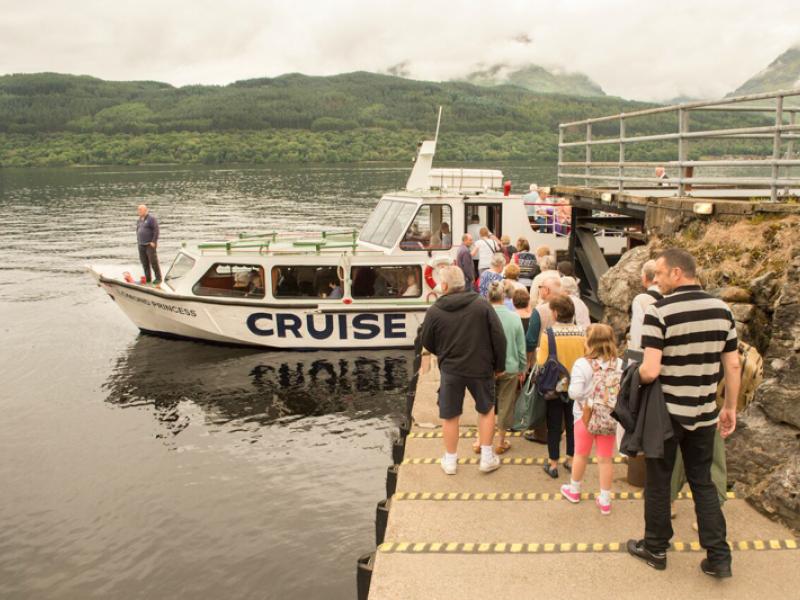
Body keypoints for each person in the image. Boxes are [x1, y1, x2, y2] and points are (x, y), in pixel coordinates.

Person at [627, 248, 740, 579]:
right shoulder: (723, 310)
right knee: (702, 481)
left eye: (660, 274)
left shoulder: (659, 312)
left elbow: (649, 370)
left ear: (677, 273)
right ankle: (719, 557)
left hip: (667, 414)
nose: (657, 280)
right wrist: (729, 407)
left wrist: (633, 376)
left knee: (660, 481)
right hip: (704, 412)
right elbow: (732, 364)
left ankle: (656, 548)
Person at [419, 265, 507, 475]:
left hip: (451, 369)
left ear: (445, 285)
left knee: (450, 415)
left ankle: (450, 461)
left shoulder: (435, 310)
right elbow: (499, 337)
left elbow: (427, 343)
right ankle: (486, 457)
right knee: (486, 410)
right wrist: (499, 366)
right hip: (481, 366)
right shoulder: (481, 305)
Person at [561, 324, 623, 515]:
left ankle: (574, 490)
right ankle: (605, 500)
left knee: (581, 455)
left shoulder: (582, 363)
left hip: (584, 416)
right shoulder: (619, 363)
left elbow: (575, 392)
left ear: (589, 342)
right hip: (608, 417)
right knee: (605, 459)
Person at [468, 280, 527, 456]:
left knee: (485, 404)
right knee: (506, 405)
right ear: (504, 296)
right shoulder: (514, 317)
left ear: (488, 296)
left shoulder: (480, 317)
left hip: (486, 368)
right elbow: (520, 347)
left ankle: (480, 440)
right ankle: (501, 442)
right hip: (510, 367)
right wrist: (522, 367)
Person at [536, 294, 586, 478]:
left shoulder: (548, 334)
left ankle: (553, 463)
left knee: (554, 424)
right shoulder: (582, 333)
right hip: (577, 387)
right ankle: (571, 459)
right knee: (573, 424)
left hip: (555, 387)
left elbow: (542, 362)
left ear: (556, 313)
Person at [629, 259, 663, 351]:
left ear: (644, 277)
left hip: (649, 355)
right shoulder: (671, 297)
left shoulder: (641, 300)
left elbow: (637, 336)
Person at [525, 275, 561, 358]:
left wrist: (527, 362)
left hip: (542, 360)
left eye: (540, 287)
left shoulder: (539, 311)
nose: (539, 289)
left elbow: (531, 341)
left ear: (546, 290)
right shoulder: (569, 307)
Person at [136, 204, 161, 284]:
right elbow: (138, 230)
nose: (139, 211)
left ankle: (158, 278)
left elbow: (156, 230)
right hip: (141, 245)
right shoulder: (139, 220)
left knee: (153, 262)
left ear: (145, 210)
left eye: (140, 210)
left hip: (149, 245)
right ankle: (148, 279)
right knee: (144, 263)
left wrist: (154, 241)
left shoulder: (151, 219)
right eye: (138, 210)